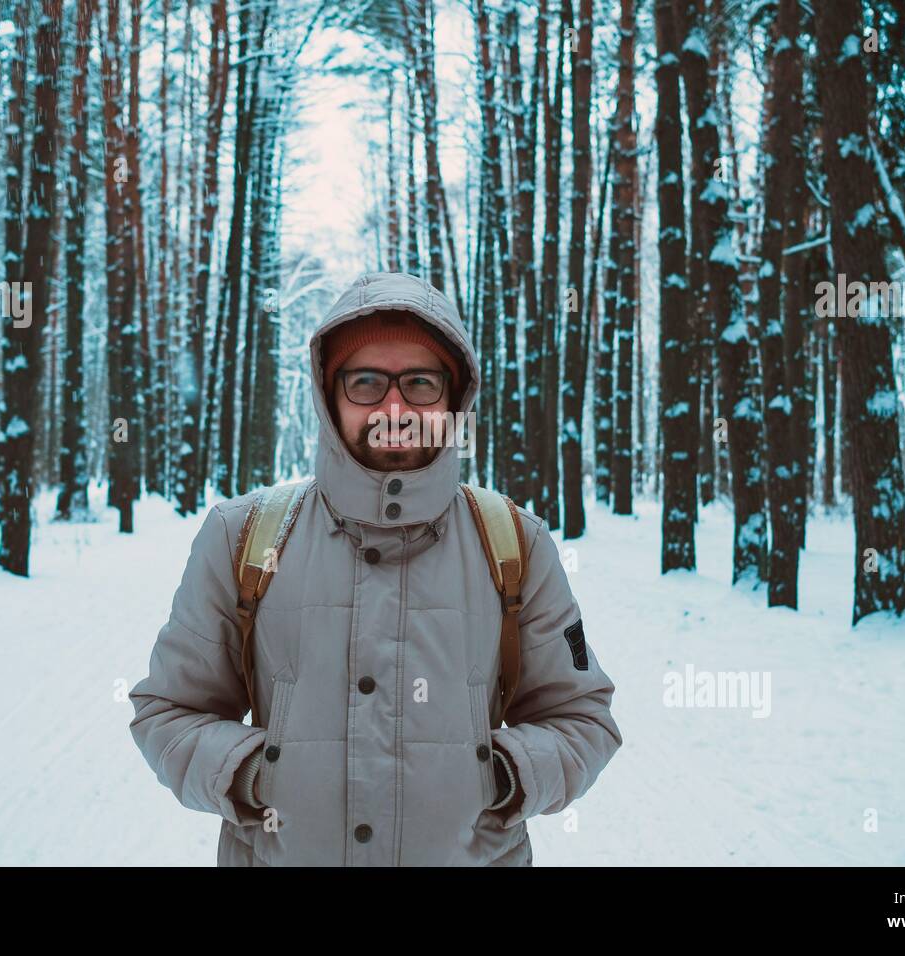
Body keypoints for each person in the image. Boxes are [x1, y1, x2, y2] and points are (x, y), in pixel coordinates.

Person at [128, 271, 622, 866]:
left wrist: (502, 776)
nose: (394, 408)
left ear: (454, 397)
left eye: (419, 382)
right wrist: (252, 774)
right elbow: (168, 711)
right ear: (328, 395)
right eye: (365, 382)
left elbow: (582, 718)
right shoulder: (242, 537)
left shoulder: (516, 543)